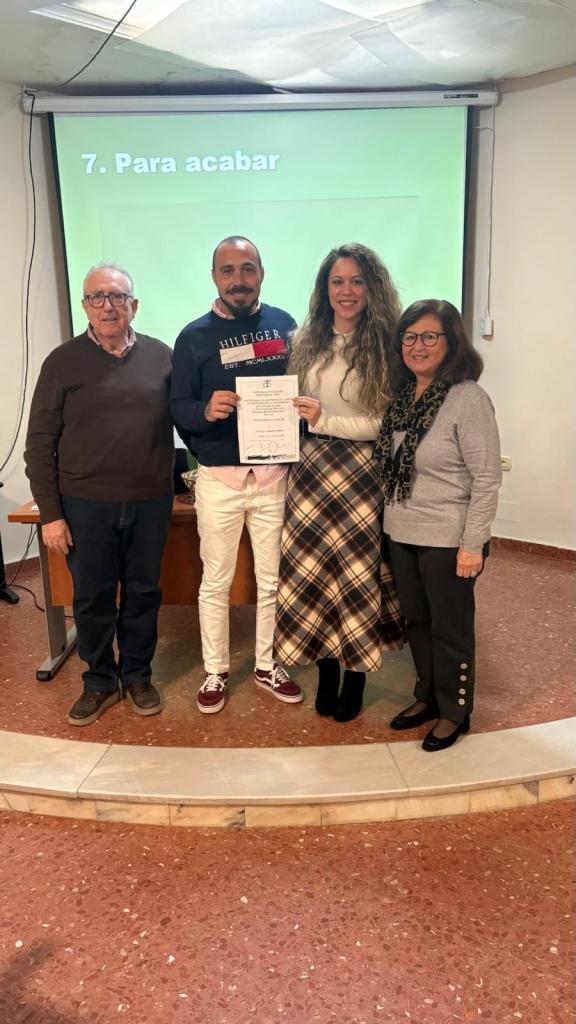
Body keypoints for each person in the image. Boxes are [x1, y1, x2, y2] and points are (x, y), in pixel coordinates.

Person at [24, 263, 174, 726]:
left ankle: (138, 675)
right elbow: (39, 444)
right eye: (97, 297)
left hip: (150, 501)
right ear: (85, 306)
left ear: (134, 305)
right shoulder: (62, 361)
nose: (108, 306)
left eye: (117, 297)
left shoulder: (162, 357)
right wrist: (51, 514)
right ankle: (99, 681)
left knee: (143, 593)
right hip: (84, 506)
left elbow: (188, 416)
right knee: (91, 597)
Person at [170, 235, 303, 714]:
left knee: (272, 581)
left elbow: (302, 387)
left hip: (273, 477)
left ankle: (267, 665)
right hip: (219, 480)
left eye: (247, 269)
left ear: (261, 273)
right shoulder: (192, 337)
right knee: (215, 581)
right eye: (227, 270)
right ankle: (216, 670)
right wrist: (206, 410)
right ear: (214, 277)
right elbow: (177, 406)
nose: (238, 280)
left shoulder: (286, 326)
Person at [274, 243, 404, 722]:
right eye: (337, 281)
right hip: (309, 473)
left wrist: (324, 420)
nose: (346, 291)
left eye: (356, 281)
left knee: (353, 579)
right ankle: (326, 669)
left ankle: (356, 676)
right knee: (312, 576)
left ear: (372, 288)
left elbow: (384, 422)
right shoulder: (303, 339)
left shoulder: (387, 345)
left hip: (360, 475)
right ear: (324, 288)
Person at [374, 299, 502, 751]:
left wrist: (473, 544)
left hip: (449, 538)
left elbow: (487, 478)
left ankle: (455, 711)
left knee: (450, 629)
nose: (418, 346)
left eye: (429, 336)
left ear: (451, 342)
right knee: (418, 622)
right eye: (410, 337)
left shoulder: (467, 399)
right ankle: (427, 695)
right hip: (402, 532)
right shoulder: (403, 397)